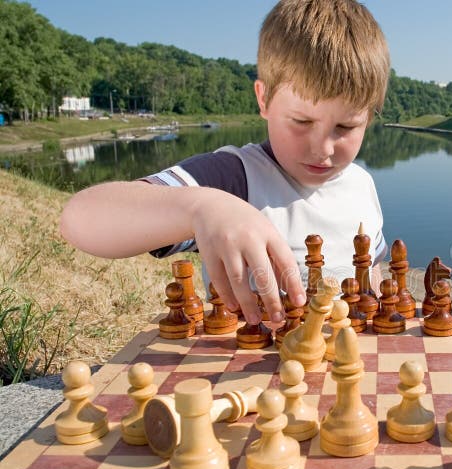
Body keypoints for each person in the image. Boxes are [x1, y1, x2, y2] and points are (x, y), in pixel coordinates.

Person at [60, 0, 391, 327]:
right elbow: (79, 219)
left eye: (345, 127)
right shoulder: (232, 179)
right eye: (302, 122)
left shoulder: (362, 185)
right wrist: (201, 209)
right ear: (264, 99)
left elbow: (371, 273)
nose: (322, 149)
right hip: (245, 376)